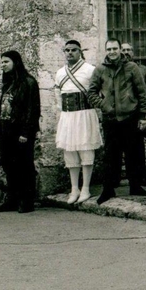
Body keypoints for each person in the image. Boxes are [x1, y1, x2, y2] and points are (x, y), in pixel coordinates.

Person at [88, 38, 146, 204]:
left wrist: (142, 114)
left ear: (120, 50)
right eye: (109, 49)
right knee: (110, 155)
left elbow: (142, 92)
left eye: (115, 49)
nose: (112, 52)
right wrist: (104, 105)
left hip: (130, 117)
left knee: (133, 153)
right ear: (105, 51)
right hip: (110, 118)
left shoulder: (132, 67)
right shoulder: (100, 69)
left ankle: (135, 186)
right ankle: (108, 189)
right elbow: (91, 92)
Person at [54, 40, 101, 204]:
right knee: (70, 152)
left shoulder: (90, 70)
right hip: (68, 116)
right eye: (66, 50)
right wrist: (62, 114)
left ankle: (86, 188)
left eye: (73, 50)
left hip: (85, 115)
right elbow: (58, 95)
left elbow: (97, 92)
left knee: (86, 150)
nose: (70, 53)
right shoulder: (60, 72)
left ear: (80, 51)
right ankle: (74, 188)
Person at [0, 50, 40, 213]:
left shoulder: (29, 82)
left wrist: (26, 132)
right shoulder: (8, 83)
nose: (3, 65)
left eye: (6, 62)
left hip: (21, 131)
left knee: (24, 166)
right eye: (1, 62)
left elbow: (32, 109)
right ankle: (12, 198)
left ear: (16, 62)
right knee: (9, 166)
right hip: (6, 130)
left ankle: (26, 200)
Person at [119, 42, 146, 189]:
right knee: (119, 147)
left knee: (137, 147)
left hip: (136, 113)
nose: (126, 52)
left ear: (133, 52)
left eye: (129, 50)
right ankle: (118, 178)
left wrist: (142, 103)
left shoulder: (142, 69)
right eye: (124, 50)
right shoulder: (117, 68)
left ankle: (141, 177)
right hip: (120, 113)